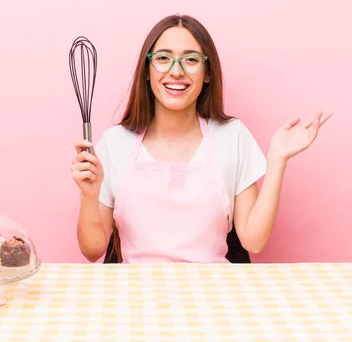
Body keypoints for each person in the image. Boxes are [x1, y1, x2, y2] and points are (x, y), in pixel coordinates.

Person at [71, 14, 331, 264]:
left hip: (213, 295)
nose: (176, 71)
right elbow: (93, 250)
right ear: (147, 71)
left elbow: (253, 241)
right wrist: (89, 196)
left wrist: (277, 160)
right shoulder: (115, 142)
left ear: (207, 73)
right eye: (163, 58)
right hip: (138, 295)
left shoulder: (232, 136)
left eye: (191, 60)